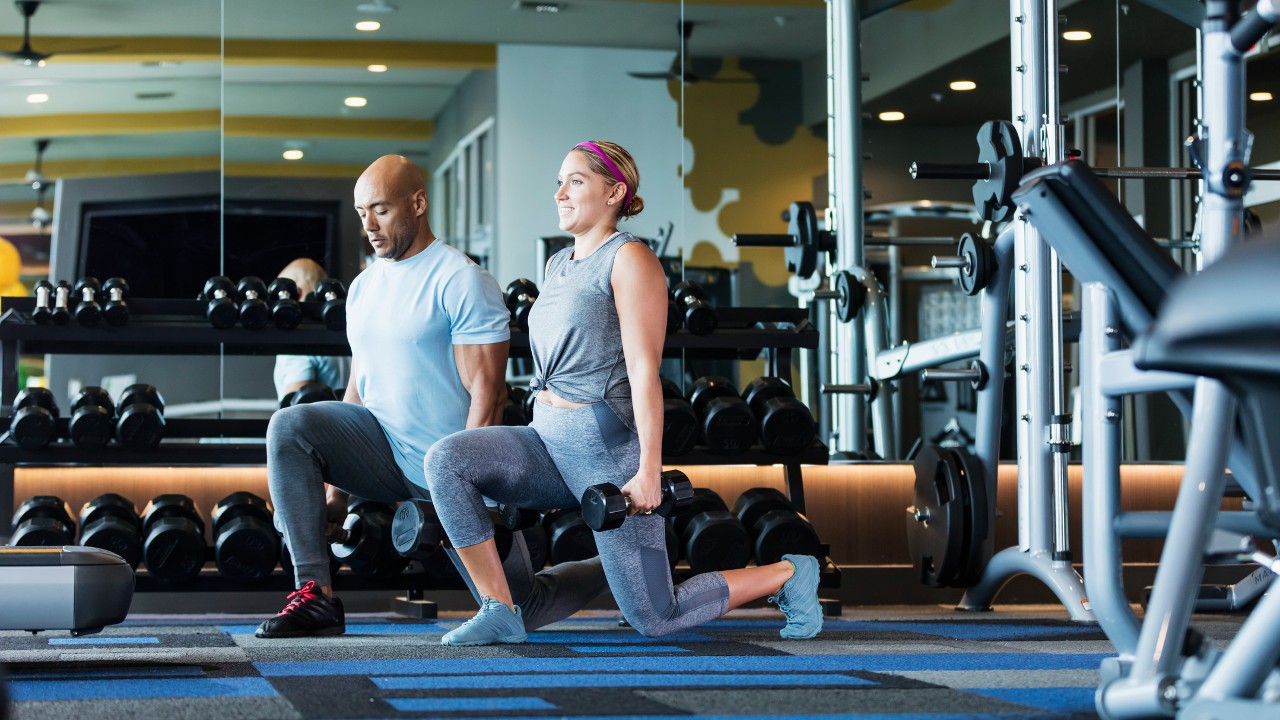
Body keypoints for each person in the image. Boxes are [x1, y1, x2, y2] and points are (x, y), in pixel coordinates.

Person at [424, 140, 822, 645]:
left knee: (657, 617)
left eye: (575, 181)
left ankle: (790, 573)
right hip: (544, 438)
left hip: (604, 451)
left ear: (614, 191)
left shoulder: (630, 259)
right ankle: (498, 607)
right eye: (559, 182)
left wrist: (648, 470)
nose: (560, 193)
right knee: (447, 461)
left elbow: (642, 371)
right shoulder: (558, 264)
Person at [255, 155, 608, 638]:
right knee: (291, 426)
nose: (370, 226)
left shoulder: (461, 279)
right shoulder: (362, 289)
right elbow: (359, 386)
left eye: (380, 209)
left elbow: (488, 394)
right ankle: (314, 596)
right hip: (383, 452)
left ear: (418, 202)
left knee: (525, 607)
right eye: (362, 213)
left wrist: (473, 499)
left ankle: (614, 565)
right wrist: (336, 495)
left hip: (451, 471)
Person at [272, 257, 348, 401]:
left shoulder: (297, 346)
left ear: (296, 293)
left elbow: (297, 410)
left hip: (315, 423)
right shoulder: (343, 338)